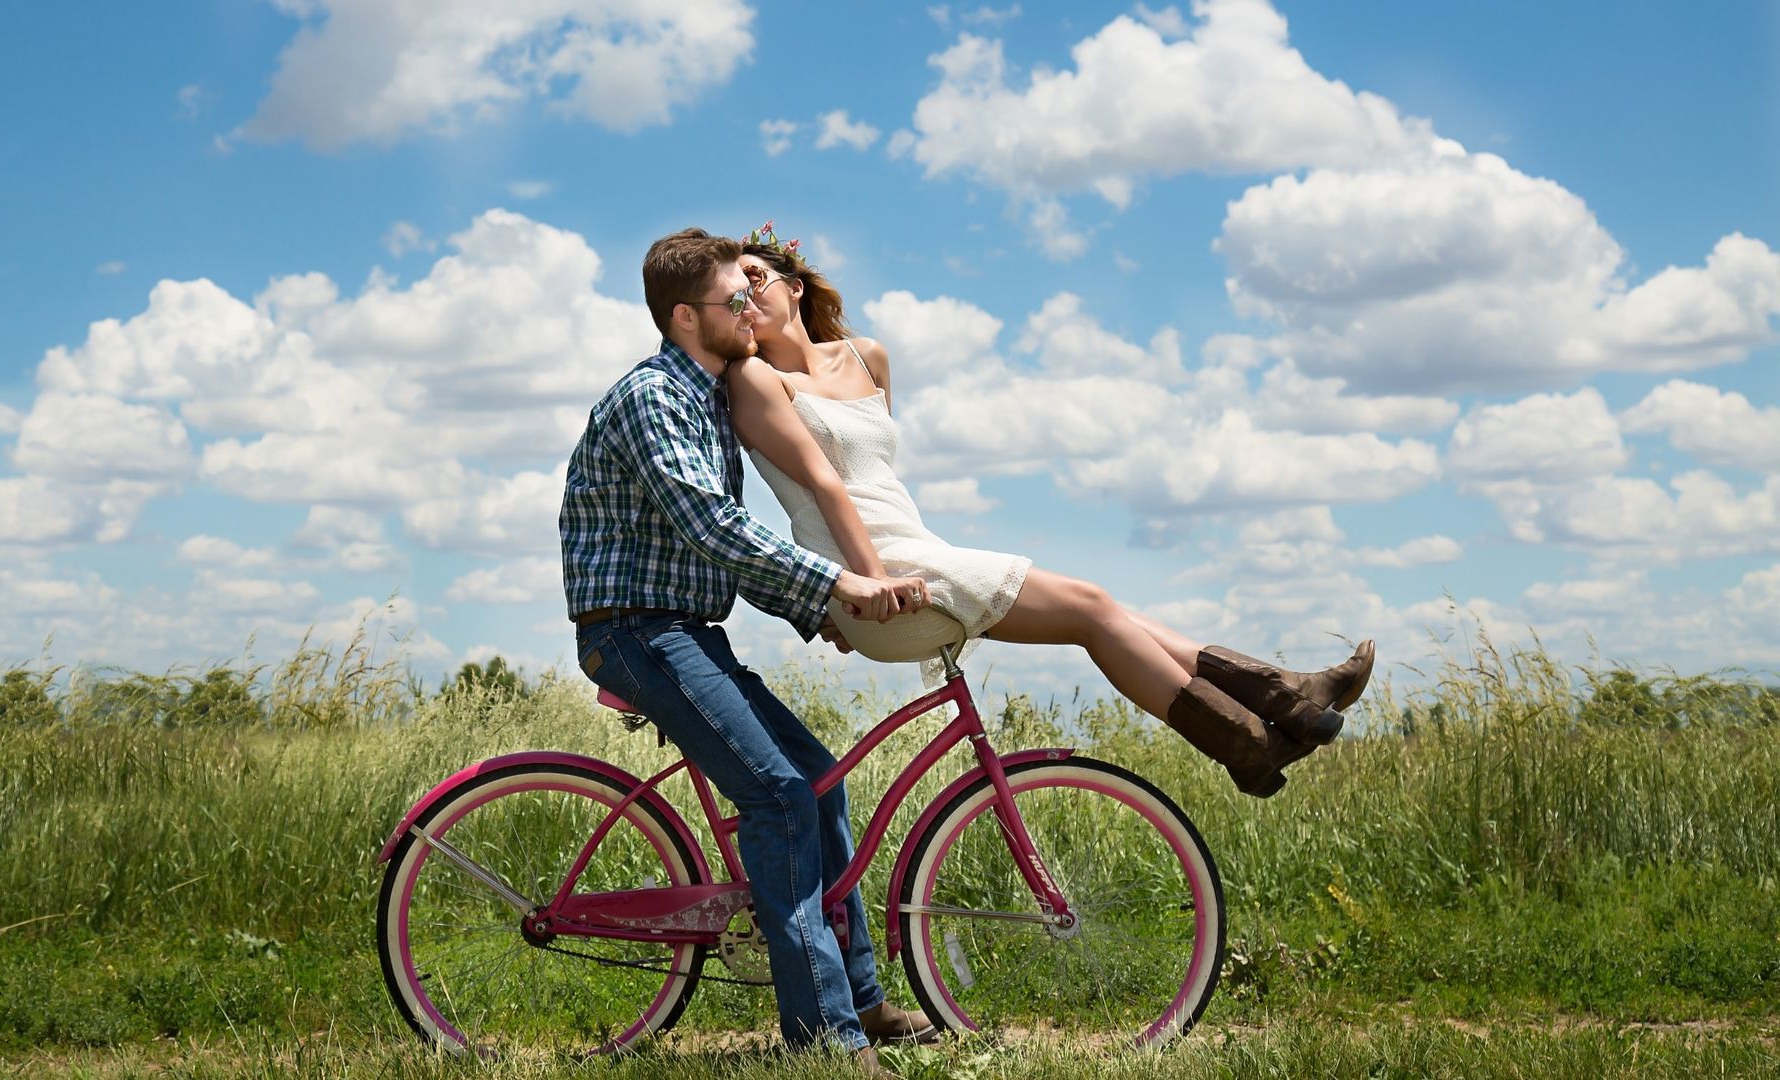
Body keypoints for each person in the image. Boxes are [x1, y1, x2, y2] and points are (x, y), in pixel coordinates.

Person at [726, 223, 1376, 798]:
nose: (745, 296)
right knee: (1093, 609)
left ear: (795, 285)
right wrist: (853, 587)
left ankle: (1281, 705)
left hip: (913, 554)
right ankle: (1254, 734)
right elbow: (824, 489)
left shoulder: (867, 358)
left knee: (1104, 611)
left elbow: (878, 482)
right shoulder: (757, 381)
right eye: (731, 293)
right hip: (879, 578)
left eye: (755, 278)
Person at [558, 228, 934, 1073]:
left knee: (820, 780)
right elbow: (713, 526)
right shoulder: (655, 397)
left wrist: (818, 610)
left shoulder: (708, 399)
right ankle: (825, 1039)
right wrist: (841, 586)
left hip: (685, 629)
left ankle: (862, 1001)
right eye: (737, 299)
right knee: (780, 799)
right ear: (688, 316)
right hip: (635, 631)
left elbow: (721, 549)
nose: (751, 312)